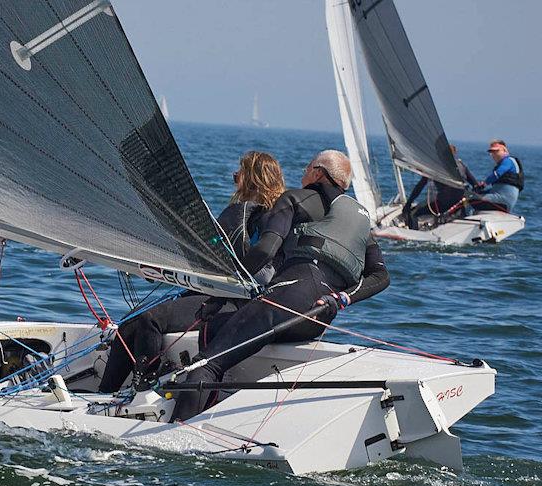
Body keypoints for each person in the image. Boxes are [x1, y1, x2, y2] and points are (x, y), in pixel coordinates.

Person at [171, 150, 390, 422]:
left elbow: (265, 250)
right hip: (317, 319)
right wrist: (342, 298)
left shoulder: (294, 198)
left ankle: (175, 439)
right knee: (219, 329)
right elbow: (381, 276)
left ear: (318, 173)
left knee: (205, 366)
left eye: (307, 167)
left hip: (289, 297)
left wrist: (223, 290)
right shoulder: (358, 221)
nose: (302, 174)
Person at [97, 151, 287, 393]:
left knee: (150, 319)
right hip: (219, 294)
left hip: (233, 303)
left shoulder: (258, 217)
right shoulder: (262, 214)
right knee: (130, 323)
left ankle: (144, 389)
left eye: (239, 173)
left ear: (252, 179)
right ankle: (104, 394)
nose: (234, 177)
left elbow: (248, 268)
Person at [402, 145, 477, 230]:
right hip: (460, 205)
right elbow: (475, 185)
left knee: (413, 214)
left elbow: (420, 187)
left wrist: (408, 204)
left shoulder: (436, 167)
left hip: (443, 205)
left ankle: (414, 237)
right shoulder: (462, 166)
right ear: (454, 154)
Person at [473, 139, 523, 212]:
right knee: (474, 195)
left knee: (470, 199)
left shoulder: (509, 161)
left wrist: (484, 183)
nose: (493, 154)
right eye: (491, 152)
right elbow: (498, 189)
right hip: (499, 197)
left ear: (504, 151)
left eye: (496, 151)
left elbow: (497, 174)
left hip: (503, 201)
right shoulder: (504, 163)